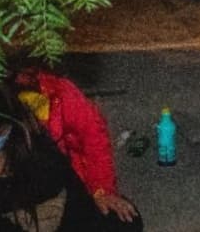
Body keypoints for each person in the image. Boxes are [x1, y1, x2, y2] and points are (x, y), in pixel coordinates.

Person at [0, 85, 142, 231]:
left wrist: (100, 193)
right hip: (16, 223)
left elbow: (74, 194)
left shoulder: (33, 142)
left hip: (58, 217)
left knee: (126, 218)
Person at [10, 64, 138, 223]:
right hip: (28, 197)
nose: (21, 76)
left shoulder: (58, 89)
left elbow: (94, 138)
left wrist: (101, 191)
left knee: (125, 219)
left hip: (68, 184)